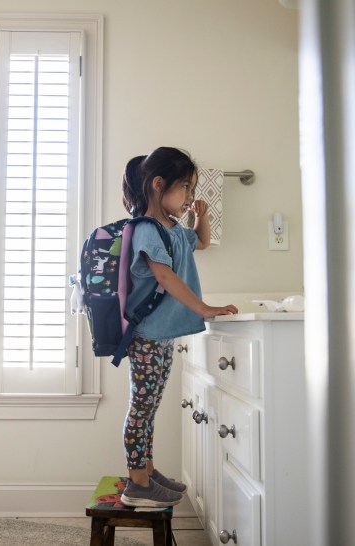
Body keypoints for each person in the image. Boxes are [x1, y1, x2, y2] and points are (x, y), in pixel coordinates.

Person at [119, 147, 238, 508]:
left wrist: (201, 216)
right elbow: (165, 276)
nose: (189, 195)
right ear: (159, 185)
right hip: (146, 337)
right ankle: (137, 483)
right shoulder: (147, 229)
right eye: (185, 187)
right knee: (142, 405)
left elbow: (200, 241)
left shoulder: (171, 228)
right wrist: (204, 307)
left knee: (150, 405)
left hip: (162, 335)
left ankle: (148, 470)